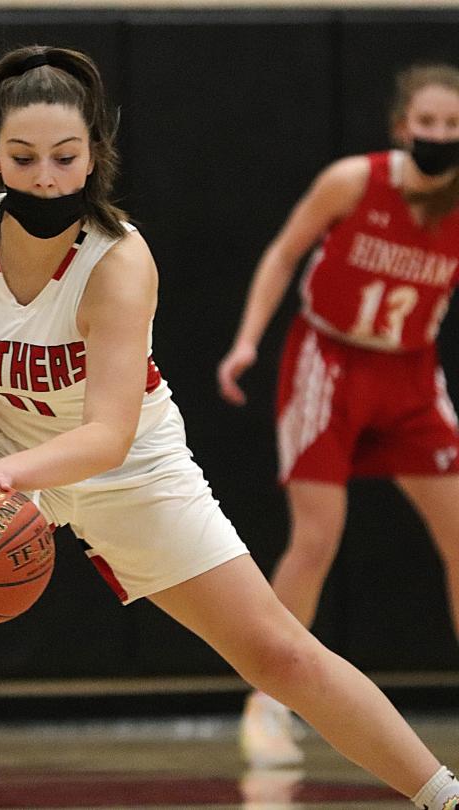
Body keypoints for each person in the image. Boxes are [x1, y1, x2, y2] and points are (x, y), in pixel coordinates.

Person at [0, 47, 459, 810]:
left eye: (64, 157)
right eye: (24, 157)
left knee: (278, 652)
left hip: (125, 463)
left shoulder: (120, 261)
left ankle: (442, 796)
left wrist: (1, 480)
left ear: (93, 155)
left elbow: (107, 435)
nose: (46, 176)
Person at [217, 63, 459, 768]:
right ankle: (267, 702)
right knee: (317, 537)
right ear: (401, 127)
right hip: (329, 360)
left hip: (411, 372)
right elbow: (284, 253)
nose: (440, 135)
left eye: (453, 126)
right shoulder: (353, 181)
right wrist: (246, 342)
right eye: (429, 123)